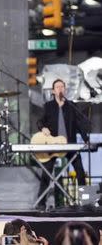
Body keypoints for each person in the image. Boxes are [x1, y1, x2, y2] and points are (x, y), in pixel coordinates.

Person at [36, 79, 89, 210]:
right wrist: (43, 128)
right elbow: (40, 121)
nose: (60, 89)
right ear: (53, 91)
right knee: (46, 172)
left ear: (65, 90)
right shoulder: (48, 106)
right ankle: (41, 203)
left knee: (80, 172)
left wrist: (85, 138)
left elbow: (79, 124)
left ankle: (86, 201)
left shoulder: (71, 106)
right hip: (53, 144)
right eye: (57, 87)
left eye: (62, 86)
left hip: (70, 144)